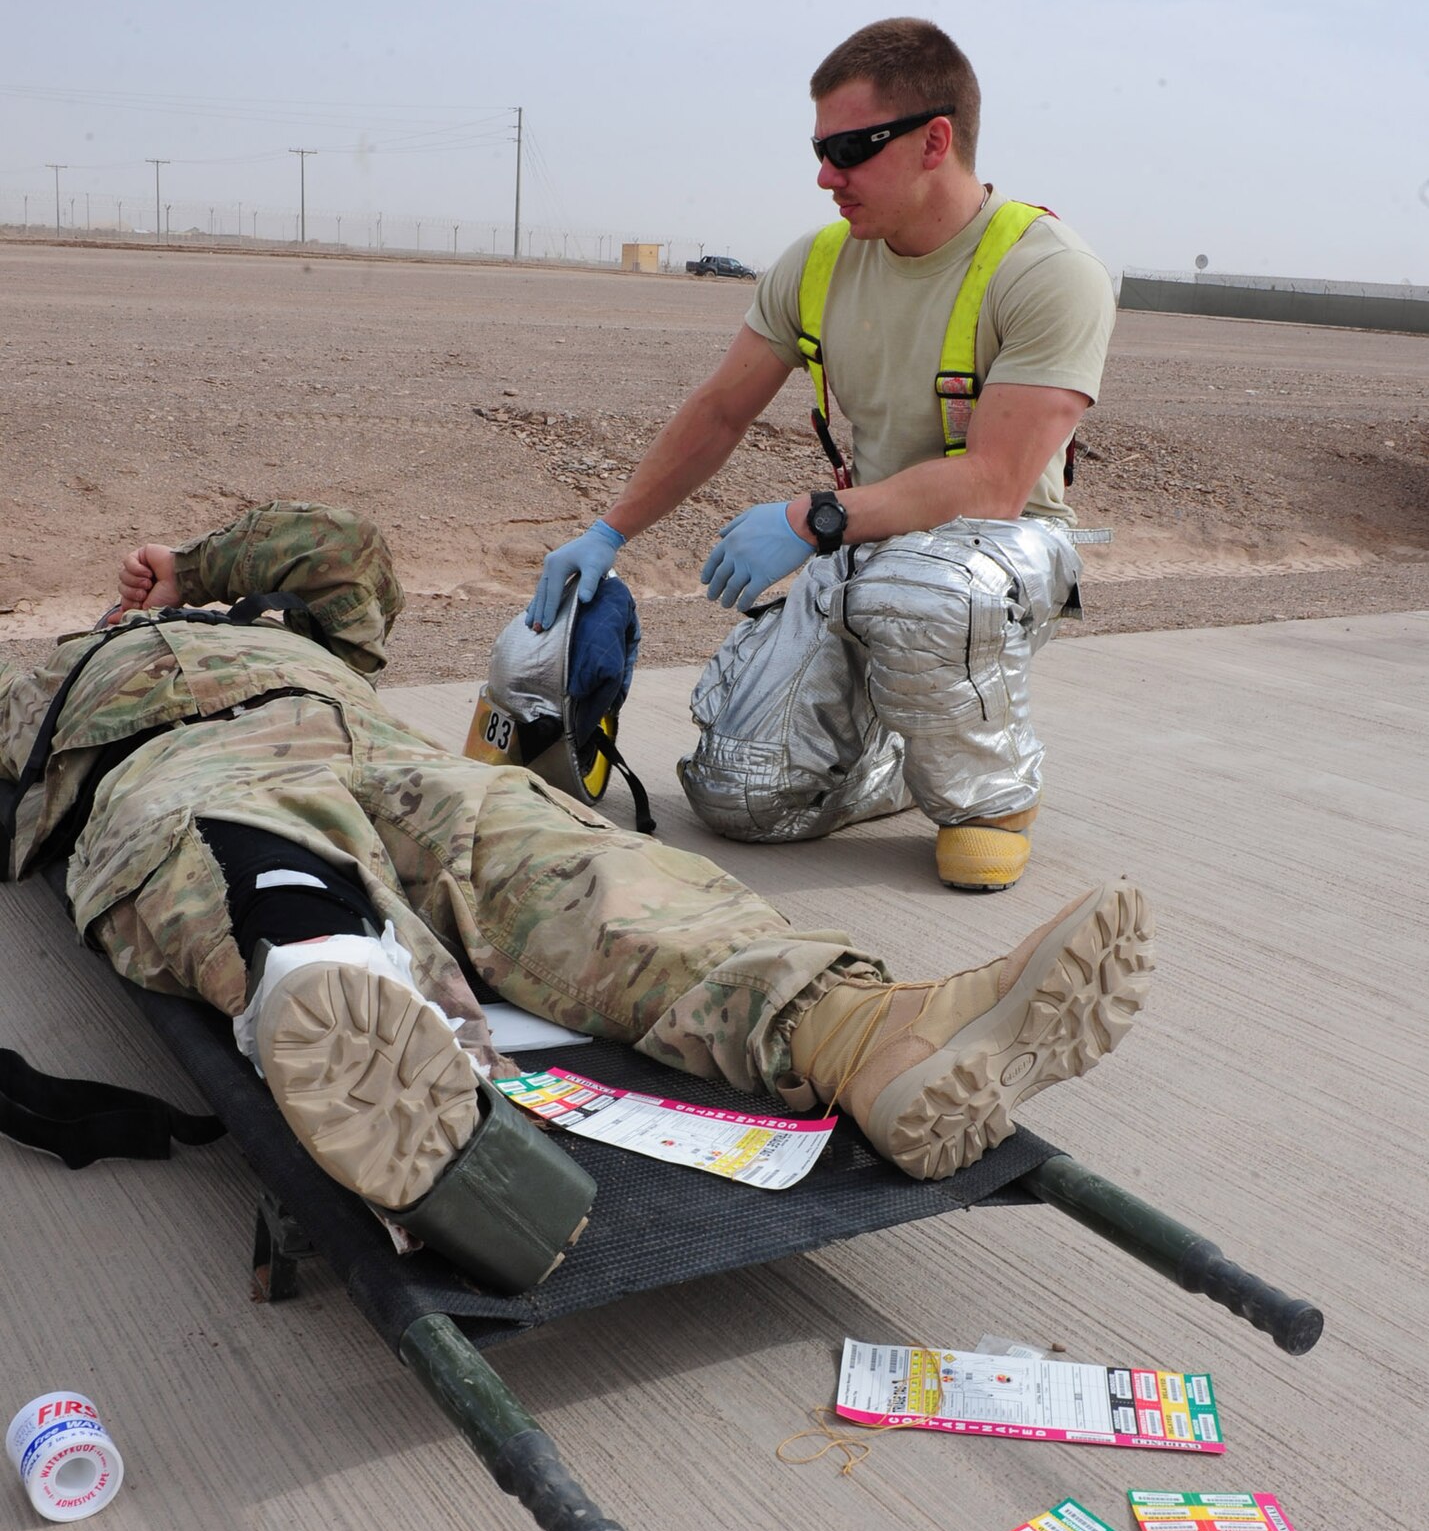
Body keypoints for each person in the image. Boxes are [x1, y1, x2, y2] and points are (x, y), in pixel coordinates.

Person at [0, 503, 1152, 1293]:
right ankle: (398, 1084)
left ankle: (864, 1038)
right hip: (171, 766)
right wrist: (76, 657)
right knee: (253, 874)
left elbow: (348, 554)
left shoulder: (290, 627)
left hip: (375, 749)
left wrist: (194, 571)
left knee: (585, 865)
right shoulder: (49, 672)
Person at [529, 17, 1116, 891]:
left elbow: (993, 483)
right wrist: (607, 534)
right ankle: (898, 757)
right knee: (741, 801)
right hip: (867, 544)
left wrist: (814, 518)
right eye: (819, 148)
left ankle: (991, 798)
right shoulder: (816, 264)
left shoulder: (1043, 268)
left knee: (918, 590)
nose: (824, 175)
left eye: (849, 147)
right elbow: (721, 408)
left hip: (995, 556)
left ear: (934, 140)